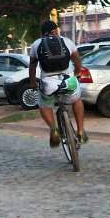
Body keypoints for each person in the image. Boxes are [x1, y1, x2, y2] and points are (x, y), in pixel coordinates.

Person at [28, 20, 86, 148]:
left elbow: (32, 66)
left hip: (49, 83)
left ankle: (54, 129)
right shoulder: (67, 41)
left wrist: (32, 83)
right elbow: (77, 60)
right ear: (56, 30)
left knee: (44, 105)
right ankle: (81, 131)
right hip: (68, 81)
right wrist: (77, 73)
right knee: (76, 100)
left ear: (42, 33)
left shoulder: (36, 44)